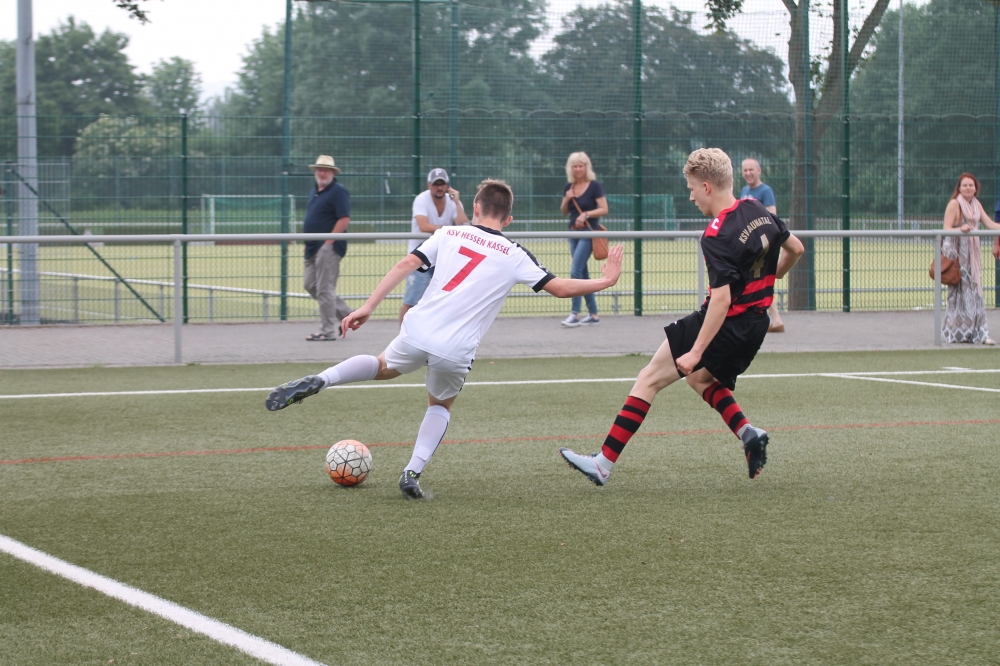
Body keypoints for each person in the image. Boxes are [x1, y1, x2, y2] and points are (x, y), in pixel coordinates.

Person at [266, 179, 624, 499]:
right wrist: (606, 280)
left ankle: (323, 379)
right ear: (509, 219)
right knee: (439, 405)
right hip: (456, 348)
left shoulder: (449, 233)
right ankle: (411, 472)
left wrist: (369, 306)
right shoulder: (514, 253)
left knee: (381, 366)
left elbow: (405, 264)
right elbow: (560, 288)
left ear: (476, 207)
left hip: (419, 328)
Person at [560, 148, 804, 486]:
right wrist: (772, 277)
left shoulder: (716, 234)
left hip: (725, 322)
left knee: (649, 378)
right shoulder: (756, 208)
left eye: (691, 189)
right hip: (756, 324)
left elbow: (721, 300)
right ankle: (748, 433)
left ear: (706, 187)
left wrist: (695, 350)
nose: (690, 197)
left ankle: (602, 464)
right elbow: (796, 248)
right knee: (700, 380)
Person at [399, 168, 469, 322]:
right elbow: (424, 226)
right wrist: (450, 231)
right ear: (429, 185)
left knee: (446, 300)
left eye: (442, 184)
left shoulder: (452, 201)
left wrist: (457, 202)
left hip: (442, 257)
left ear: (447, 186)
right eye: (436, 184)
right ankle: (402, 334)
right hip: (419, 257)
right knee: (412, 301)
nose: (439, 187)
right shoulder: (421, 199)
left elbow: (463, 225)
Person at [943, 173, 1000, 345]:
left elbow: (990, 224)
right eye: (965, 185)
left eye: (971, 185)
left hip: (972, 255)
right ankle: (957, 332)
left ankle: (980, 332)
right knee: (959, 294)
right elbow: (946, 229)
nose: (968, 188)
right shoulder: (955, 204)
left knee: (975, 292)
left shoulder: (976, 205)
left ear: (976, 188)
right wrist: (960, 229)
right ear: (959, 188)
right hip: (957, 254)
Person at [302, 155, 352, 341]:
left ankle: (327, 330)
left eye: (326, 170)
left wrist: (329, 242)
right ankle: (348, 315)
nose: (322, 173)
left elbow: (344, 218)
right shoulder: (315, 191)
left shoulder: (339, 192)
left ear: (332, 172)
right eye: (319, 169)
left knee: (325, 288)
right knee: (310, 285)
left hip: (328, 247)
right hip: (312, 247)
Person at [559, 151, 609, 327]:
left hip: (588, 232)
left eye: (581, 166)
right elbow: (564, 211)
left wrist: (586, 214)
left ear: (586, 167)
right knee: (583, 273)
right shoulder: (569, 186)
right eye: (575, 166)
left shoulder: (594, 186)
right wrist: (567, 198)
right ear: (570, 168)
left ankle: (575, 313)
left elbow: (604, 209)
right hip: (573, 232)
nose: (578, 169)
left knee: (575, 272)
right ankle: (593, 314)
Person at [740, 157, 785, 333]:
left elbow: (771, 217)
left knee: (759, 280)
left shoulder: (766, 191)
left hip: (761, 243)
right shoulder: (744, 191)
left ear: (759, 171)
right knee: (755, 281)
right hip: (748, 243)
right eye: (745, 170)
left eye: (751, 169)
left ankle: (774, 318)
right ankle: (774, 319)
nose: (748, 173)